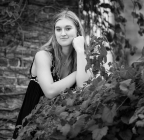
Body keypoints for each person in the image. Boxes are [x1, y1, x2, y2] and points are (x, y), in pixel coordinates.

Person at [12, 10, 112, 139]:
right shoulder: (43, 56)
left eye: (68, 28)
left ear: (78, 32)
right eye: (58, 29)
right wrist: (76, 73)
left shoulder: (81, 58)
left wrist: (81, 52)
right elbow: (50, 91)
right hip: (31, 125)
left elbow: (84, 89)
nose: (63, 33)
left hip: (57, 129)